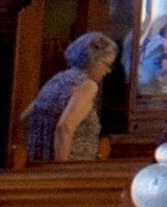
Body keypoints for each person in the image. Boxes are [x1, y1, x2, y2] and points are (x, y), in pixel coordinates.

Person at [22, 32, 116, 165]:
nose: (108, 71)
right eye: (107, 64)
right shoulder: (87, 85)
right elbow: (64, 128)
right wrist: (62, 169)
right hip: (72, 168)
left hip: (38, 165)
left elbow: (25, 118)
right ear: (93, 59)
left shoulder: (57, 80)